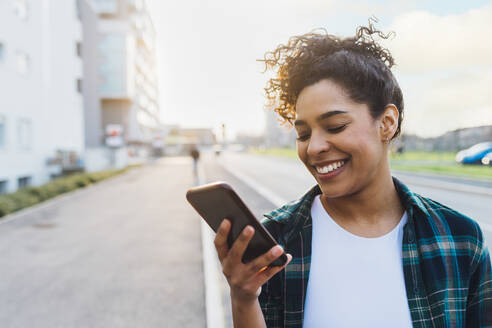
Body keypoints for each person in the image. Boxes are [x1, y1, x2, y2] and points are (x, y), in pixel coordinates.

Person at [213, 21, 492, 327]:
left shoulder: (461, 240)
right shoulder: (277, 242)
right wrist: (243, 298)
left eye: (335, 126)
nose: (314, 147)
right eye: (303, 134)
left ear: (386, 123)